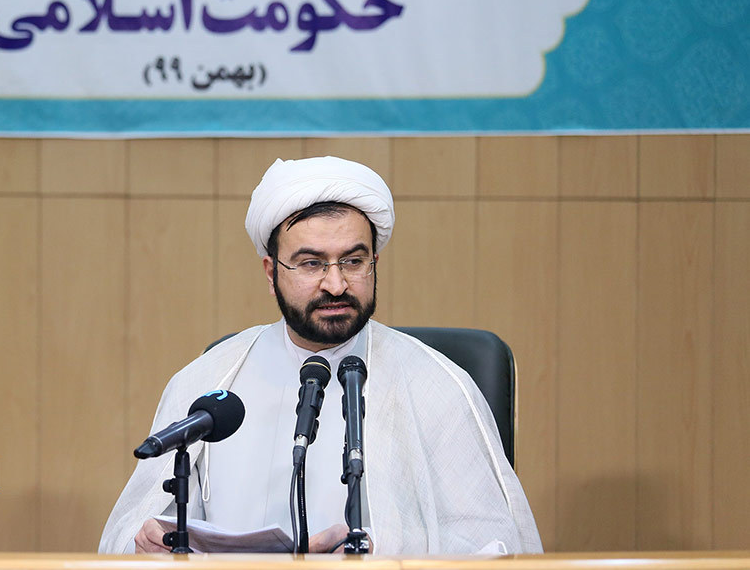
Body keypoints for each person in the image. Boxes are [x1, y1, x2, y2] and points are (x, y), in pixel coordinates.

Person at [99, 156, 542, 555]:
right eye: (311, 263)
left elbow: (499, 546)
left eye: (353, 261)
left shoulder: (438, 386)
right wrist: (147, 544)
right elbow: (126, 534)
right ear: (271, 272)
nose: (335, 284)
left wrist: (380, 552)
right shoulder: (210, 379)